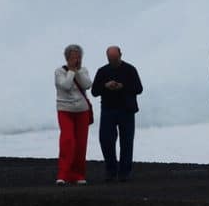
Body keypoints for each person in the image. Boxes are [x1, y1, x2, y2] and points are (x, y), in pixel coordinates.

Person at [92, 46, 144, 183]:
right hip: (108, 110)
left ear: (121, 55)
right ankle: (111, 169)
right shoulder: (102, 71)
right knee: (106, 140)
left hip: (126, 110)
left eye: (115, 59)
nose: (113, 62)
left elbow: (139, 88)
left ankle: (124, 172)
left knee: (126, 142)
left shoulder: (130, 69)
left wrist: (123, 87)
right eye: (110, 59)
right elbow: (94, 91)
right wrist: (105, 86)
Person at [54, 44, 93, 186]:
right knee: (68, 140)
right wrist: (70, 71)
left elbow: (87, 85)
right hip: (65, 110)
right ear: (67, 58)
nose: (76, 59)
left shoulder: (83, 70)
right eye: (73, 57)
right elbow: (65, 86)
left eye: (78, 57)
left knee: (81, 144)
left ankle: (78, 174)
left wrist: (77, 71)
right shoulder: (59, 72)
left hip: (82, 111)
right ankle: (63, 174)